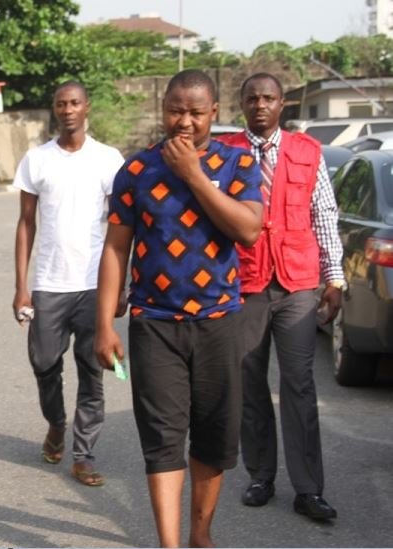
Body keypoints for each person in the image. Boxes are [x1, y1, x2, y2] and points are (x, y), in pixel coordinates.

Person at [95, 69, 263, 547]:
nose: (184, 122)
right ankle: (170, 544)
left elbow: (248, 229)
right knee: (163, 438)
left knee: (213, 436)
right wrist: (103, 324)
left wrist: (193, 175)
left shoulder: (238, 163)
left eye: (195, 112)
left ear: (214, 113)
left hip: (219, 323)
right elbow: (114, 249)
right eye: (175, 110)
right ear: (162, 108)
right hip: (155, 325)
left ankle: (200, 534)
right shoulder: (135, 170)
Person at [217, 72, 343, 521]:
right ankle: (261, 476)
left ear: (282, 103)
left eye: (268, 98)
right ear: (242, 104)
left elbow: (324, 212)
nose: (260, 105)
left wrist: (335, 278)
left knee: (300, 383)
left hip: (297, 283)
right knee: (250, 384)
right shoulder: (225, 152)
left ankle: (308, 488)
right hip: (244, 284)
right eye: (252, 98)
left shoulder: (308, 152)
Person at [12, 80, 124, 487]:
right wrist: (21, 286)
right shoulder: (36, 160)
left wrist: (121, 285)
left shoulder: (108, 159)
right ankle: (56, 423)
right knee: (43, 363)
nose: (68, 109)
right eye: (61, 103)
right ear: (55, 109)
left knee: (92, 371)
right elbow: (26, 223)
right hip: (48, 283)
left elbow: (121, 227)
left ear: (86, 106)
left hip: (95, 284)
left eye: (75, 102)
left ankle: (84, 454)